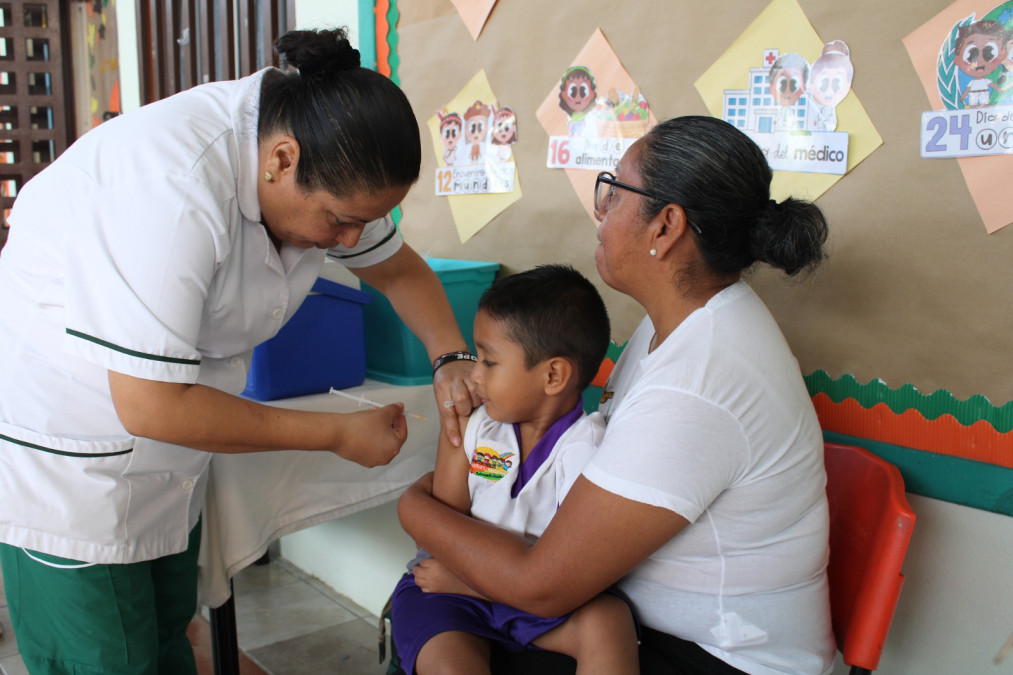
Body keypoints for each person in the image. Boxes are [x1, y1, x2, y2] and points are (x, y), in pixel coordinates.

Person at [0, 28, 478, 675]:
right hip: (72, 456)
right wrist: (336, 434)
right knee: (103, 658)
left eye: (364, 222)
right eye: (340, 221)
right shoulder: (170, 188)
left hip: (167, 454)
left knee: (166, 642)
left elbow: (397, 270)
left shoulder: (318, 160)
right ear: (281, 159)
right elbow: (150, 406)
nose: (350, 240)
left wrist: (450, 356)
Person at [398, 116, 836, 675]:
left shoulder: (699, 377)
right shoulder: (676, 327)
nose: (600, 211)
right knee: (443, 626)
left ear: (666, 226)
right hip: (636, 620)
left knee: (443, 630)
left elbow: (539, 585)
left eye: (614, 190)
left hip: (717, 657)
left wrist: (413, 506)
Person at [391, 264, 639, 675]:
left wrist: (473, 584)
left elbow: (567, 570)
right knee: (448, 660)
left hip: (525, 596)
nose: (473, 375)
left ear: (553, 375)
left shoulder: (589, 450)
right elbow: (439, 529)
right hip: (449, 589)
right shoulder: (472, 424)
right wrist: (466, 584)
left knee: (609, 621)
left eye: (489, 362)